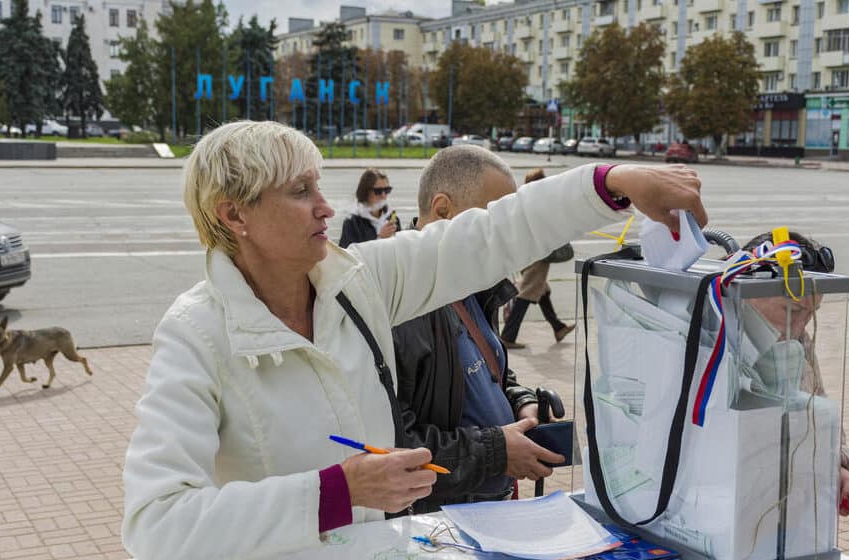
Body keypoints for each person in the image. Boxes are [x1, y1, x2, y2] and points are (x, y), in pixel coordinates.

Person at [120, 119, 707, 559]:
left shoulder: (358, 280)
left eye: (319, 185)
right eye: (300, 192)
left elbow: (491, 235)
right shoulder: (194, 334)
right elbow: (156, 524)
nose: (327, 208)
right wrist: (336, 492)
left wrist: (611, 181)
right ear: (234, 215)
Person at [393, 147, 565, 513]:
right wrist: (497, 452)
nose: (506, 237)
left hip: (488, 508)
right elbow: (395, 446)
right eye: (495, 221)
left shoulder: (474, 282)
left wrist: (520, 401)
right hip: (440, 523)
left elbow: (485, 371)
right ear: (443, 211)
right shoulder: (399, 304)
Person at [741, 231, 849, 520]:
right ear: (747, 289)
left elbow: (817, 407)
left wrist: (838, 469)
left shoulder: (798, 341)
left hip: (787, 512)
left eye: (810, 314)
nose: (799, 326)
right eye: (791, 310)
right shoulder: (713, 342)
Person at [501, 169, 576, 349]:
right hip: (537, 254)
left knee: (542, 290)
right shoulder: (537, 202)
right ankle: (507, 336)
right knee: (528, 291)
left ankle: (558, 328)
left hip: (527, 252)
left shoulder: (523, 199)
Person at [338, 168, 401, 248]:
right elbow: (347, 255)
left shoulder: (393, 218)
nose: (383, 195)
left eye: (387, 190)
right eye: (378, 191)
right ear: (365, 192)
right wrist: (379, 238)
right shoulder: (352, 222)